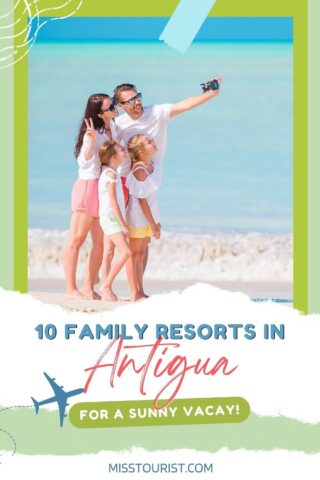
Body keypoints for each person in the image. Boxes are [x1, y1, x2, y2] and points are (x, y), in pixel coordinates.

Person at [113, 79, 221, 275]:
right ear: (120, 106)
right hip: (129, 185)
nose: (137, 102)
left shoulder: (157, 112)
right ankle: (109, 285)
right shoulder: (119, 124)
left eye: (138, 97)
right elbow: (107, 150)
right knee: (125, 243)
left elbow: (186, 103)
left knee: (144, 243)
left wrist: (210, 94)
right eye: (130, 101)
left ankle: (139, 288)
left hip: (150, 184)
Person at [63, 93, 117, 299]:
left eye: (113, 103)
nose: (114, 107)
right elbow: (84, 161)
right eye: (110, 105)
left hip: (102, 188)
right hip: (87, 186)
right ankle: (70, 288)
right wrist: (91, 143)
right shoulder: (91, 133)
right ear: (100, 113)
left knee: (100, 243)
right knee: (76, 240)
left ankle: (88, 286)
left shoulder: (110, 129)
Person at [98, 140, 142, 302]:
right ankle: (106, 285)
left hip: (107, 218)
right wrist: (123, 224)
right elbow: (113, 202)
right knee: (126, 252)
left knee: (108, 253)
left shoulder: (108, 172)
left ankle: (106, 290)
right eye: (121, 150)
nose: (125, 152)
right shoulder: (111, 175)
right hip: (111, 219)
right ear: (113, 156)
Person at [125, 134, 160, 298]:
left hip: (148, 217)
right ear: (140, 151)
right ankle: (134, 292)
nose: (153, 142)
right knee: (134, 255)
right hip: (138, 218)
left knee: (140, 254)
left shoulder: (151, 165)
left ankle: (140, 290)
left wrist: (155, 221)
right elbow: (141, 200)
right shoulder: (139, 170)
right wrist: (153, 223)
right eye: (148, 142)